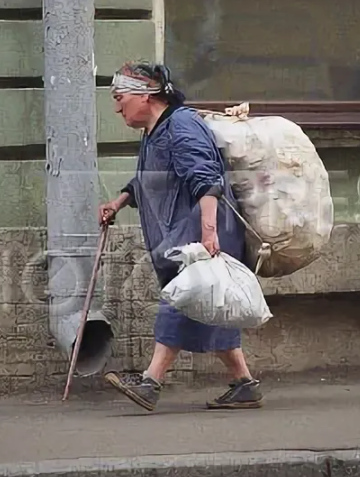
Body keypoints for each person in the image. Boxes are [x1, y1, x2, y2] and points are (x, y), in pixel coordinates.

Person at [100, 62, 263, 412]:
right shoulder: (155, 131)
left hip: (202, 229)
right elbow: (148, 178)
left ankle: (151, 382)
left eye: (120, 97)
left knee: (180, 299)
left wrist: (208, 233)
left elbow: (206, 180)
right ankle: (244, 384)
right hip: (186, 232)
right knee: (209, 306)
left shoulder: (182, 125)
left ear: (146, 96)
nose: (116, 107)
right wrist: (119, 201)